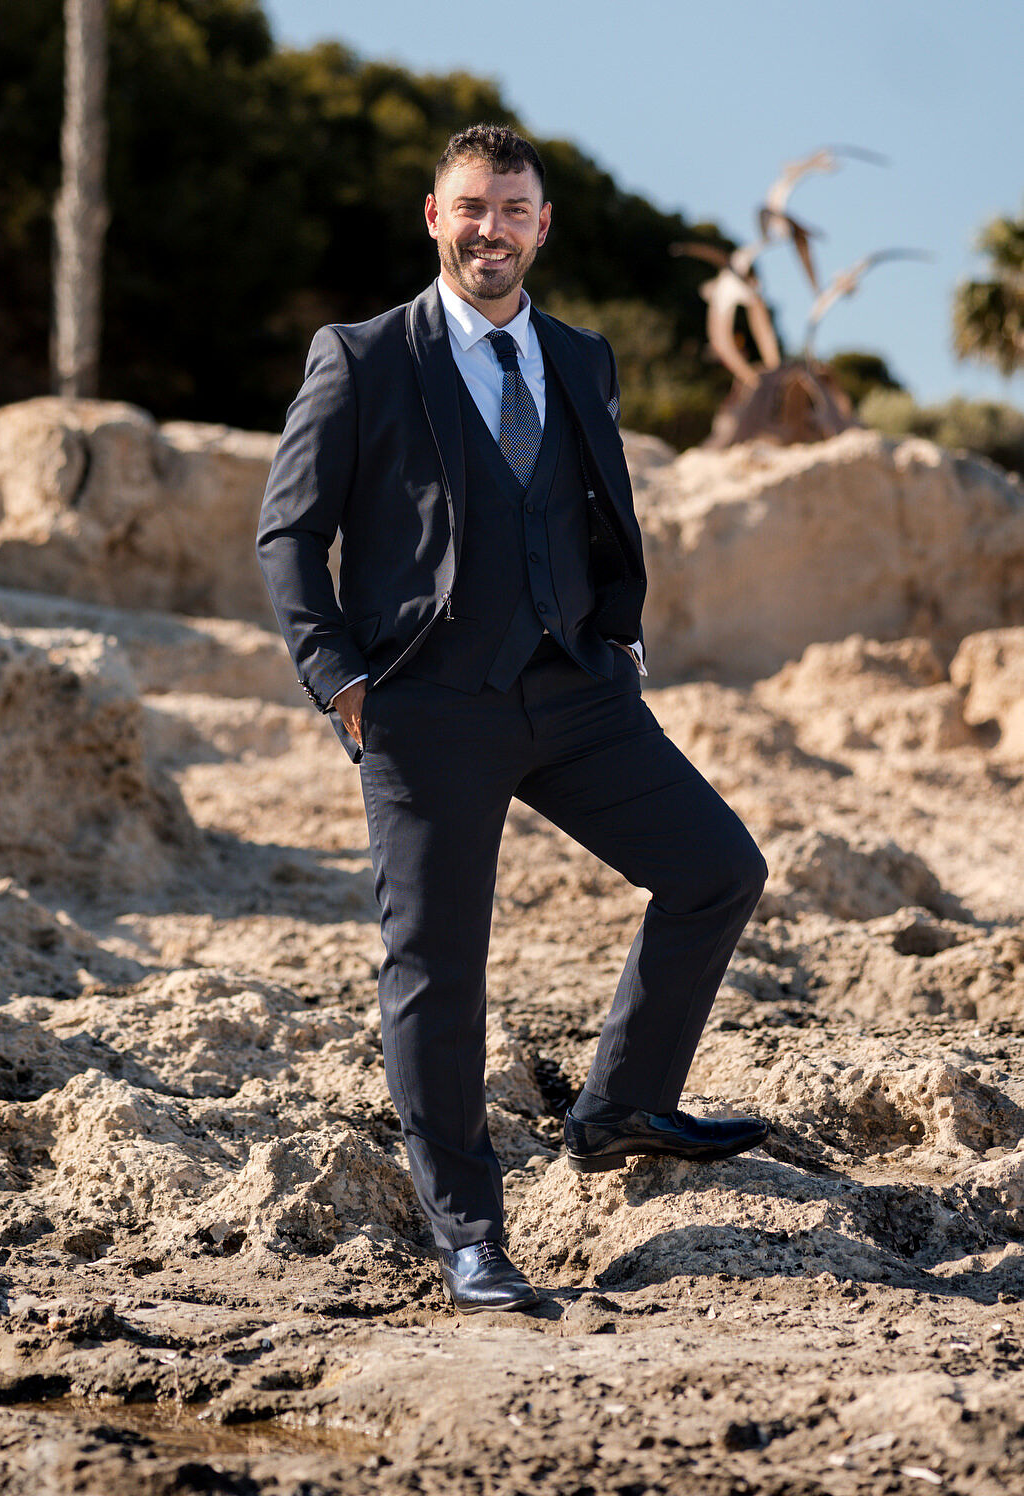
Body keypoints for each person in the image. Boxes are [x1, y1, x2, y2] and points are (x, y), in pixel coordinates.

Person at [256, 124, 769, 1313]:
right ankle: (472, 1236)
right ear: (433, 217)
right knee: (439, 967)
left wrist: (621, 629)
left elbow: (598, 502)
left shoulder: (582, 356)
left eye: (515, 210)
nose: (493, 229)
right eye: (471, 207)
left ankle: (619, 1107)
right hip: (428, 702)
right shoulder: (364, 355)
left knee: (717, 870)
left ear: (543, 226)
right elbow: (290, 533)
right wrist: (339, 677)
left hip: (578, 689)